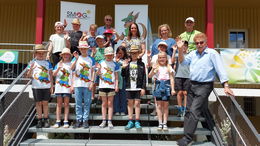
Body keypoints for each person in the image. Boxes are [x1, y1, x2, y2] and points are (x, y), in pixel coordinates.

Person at [176, 33, 234, 146]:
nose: (199, 45)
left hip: (205, 86)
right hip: (192, 85)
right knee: (188, 111)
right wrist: (179, 50)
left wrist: (226, 85)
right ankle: (186, 136)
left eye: (201, 42)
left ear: (206, 42)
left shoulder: (212, 53)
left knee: (194, 111)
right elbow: (182, 62)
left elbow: (220, 69)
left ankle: (187, 138)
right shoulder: (193, 54)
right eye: (197, 43)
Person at [27, 44, 53, 128]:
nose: (41, 55)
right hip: (36, 86)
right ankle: (39, 119)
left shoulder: (47, 63)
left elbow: (51, 75)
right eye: (39, 53)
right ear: (35, 54)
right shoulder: (32, 62)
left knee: (45, 103)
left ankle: (46, 119)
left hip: (46, 86)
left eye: (42, 53)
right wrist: (31, 68)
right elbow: (28, 75)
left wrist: (52, 86)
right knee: (38, 103)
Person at [148, 52, 175, 131]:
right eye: (160, 57)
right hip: (158, 85)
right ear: (158, 59)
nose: (162, 59)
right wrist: (153, 68)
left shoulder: (169, 67)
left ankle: (165, 123)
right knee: (159, 106)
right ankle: (160, 123)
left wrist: (173, 89)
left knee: (166, 106)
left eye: (163, 57)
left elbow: (172, 79)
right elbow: (149, 76)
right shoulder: (156, 67)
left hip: (166, 85)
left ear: (166, 58)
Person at [71, 41, 95, 129]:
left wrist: (92, 82)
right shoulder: (76, 58)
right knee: (78, 103)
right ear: (79, 49)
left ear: (88, 49)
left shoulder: (91, 59)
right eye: (82, 49)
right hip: (77, 84)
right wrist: (76, 59)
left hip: (87, 84)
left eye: (85, 48)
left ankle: (85, 120)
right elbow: (71, 68)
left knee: (87, 103)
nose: (83, 50)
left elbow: (93, 72)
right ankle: (78, 120)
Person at [122, 45, 146, 130]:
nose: (134, 54)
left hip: (138, 87)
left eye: (135, 53)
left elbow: (144, 77)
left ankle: (137, 121)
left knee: (137, 104)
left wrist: (143, 88)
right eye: (132, 53)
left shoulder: (141, 64)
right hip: (129, 87)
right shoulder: (128, 63)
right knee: (130, 104)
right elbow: (123, 75)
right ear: (130, 54)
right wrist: (123, 67)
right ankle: (130, 120)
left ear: (138, 53)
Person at [96, 47, 119, 129]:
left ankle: (109, 120)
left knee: (110, 104)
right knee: (104, 103)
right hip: (102, 86)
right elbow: (97, 74)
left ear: (113, 55)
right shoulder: (101, 62)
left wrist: (116, 85)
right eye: (107, 55)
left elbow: (116, 76)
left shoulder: (115, 64)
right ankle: (103, 120)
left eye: (110, 55)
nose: (109, 56)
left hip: (111, 86)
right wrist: (98, 69)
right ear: (105, 55)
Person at [52, 48, 73, 128]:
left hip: (67, 87)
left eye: (67, 54)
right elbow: (53, 74)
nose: (66, 56)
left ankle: (66, 120)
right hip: (59, 87)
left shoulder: (71, 64)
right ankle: (58, 120)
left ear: (69, 56)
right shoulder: (58, 64)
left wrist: (72, 86)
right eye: (64, 54)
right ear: (62, 56)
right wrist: (58, 68)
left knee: (66, 104)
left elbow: (73, 75)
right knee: (59, 104)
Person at [172, 40, 190, 117]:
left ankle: (185, 109)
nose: (184, 47)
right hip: (178, 75)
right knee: (179, 93)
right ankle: (180, 109)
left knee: (186, 93)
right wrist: (174, 51)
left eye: (185, 46)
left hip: (188, 76)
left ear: (187, 47)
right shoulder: (177, 54)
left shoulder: (190, 55)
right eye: (183, 45)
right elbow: (172, 61)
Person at [114, 46, 128, 116]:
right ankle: (116, 110)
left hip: (123, 79)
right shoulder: (113, 60)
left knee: (123, 96)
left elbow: (126, 68)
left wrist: (122, 64)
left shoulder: (126, 60)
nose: (120, 54)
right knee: (116, 96)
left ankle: (123, 110)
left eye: (122, 53)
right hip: (115, 80)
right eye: (118, 53)